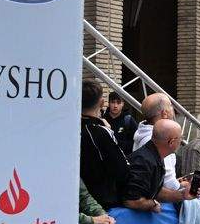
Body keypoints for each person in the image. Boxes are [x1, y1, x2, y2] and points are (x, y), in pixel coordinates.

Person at [81, 80, 130, 210]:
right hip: (101, 202)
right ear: (102, 103)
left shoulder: (69, 127)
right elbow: (122, 169)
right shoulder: (100, 131)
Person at [124, 119, 192, 210]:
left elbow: (155, 191)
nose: (181, 141)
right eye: (181, 138)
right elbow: (132, 201)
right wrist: (153, 204)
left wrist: (183, 194)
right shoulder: (144, 161)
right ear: (171, 142)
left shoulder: (155, 156)